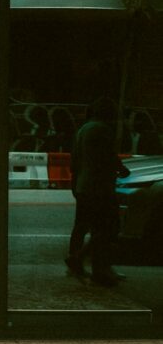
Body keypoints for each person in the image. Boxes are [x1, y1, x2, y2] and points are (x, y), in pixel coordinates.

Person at [66, 97, 130, 287]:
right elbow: (107, 156)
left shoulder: (83, 129)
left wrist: (76, 185)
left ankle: (89, 264)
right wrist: (121, 169)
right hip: (99, 187)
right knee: (108, 227)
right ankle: (85, 260)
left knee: (84, 225)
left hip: (84, 185)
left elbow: (75, 160)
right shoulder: (102, 130)